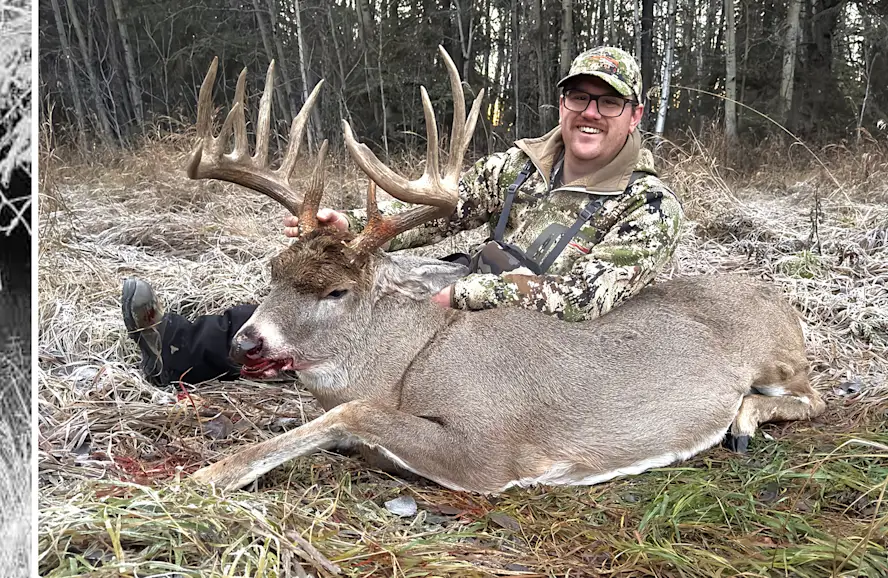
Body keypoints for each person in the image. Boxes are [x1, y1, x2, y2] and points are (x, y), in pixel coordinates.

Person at [122, 46, 683, 388]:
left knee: (366, 345)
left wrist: (466, 296)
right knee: (328, 290)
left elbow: (584, 302)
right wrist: (357, 235)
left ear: (633, 115)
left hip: (540, 339)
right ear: (562, 104)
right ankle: (173, 348)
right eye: (579, 99)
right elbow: (449, 208)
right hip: (462, 279)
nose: (590, 113)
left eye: (608, 103)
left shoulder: (650, 207)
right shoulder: (525, 161)